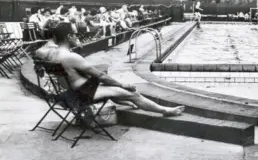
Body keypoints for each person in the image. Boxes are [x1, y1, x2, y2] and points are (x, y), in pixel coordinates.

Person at [34, 22, 185, 116]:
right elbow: (101, 76)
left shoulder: (50, 54)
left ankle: (130, 101)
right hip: (82, 95)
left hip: (69, 92)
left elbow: (39, 54)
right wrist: (122, 85)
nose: (78, 37)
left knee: (114, 89)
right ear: (68, 37)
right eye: (76, 35)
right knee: (132, 92)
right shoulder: (71, 57)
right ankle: (165, 111)